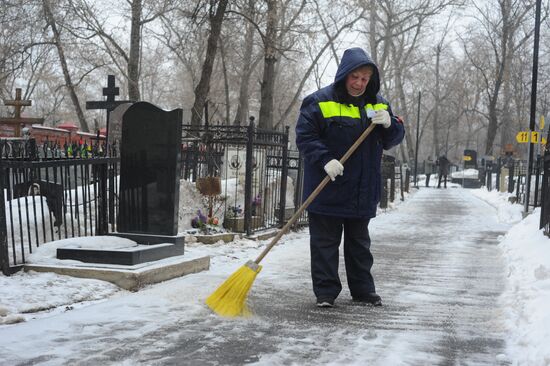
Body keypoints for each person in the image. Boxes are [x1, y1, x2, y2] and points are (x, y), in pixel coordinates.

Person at [295, 47, 405, 308]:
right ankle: (325, 293)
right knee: (325, 244)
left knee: (359, 245)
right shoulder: (319, 102)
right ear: (344, 75)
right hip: (328, 187)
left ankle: (363, 290)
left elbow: (393, 139)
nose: (359, 83)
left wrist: (390, 123)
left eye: (365, 78)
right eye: (355, 77)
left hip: (360, 191)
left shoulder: (378, 104)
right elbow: (305, 137)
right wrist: (325, 160)